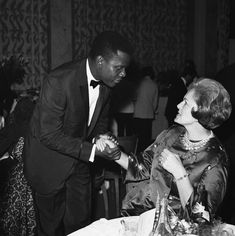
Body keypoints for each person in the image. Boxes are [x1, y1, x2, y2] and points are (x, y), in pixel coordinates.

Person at [23, 31, 133, 236]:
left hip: (79, 163)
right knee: (50, 229)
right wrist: (93, 151)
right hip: (49, 165)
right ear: (100, 61)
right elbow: (48, 134)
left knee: (82, 226)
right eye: (119, 68)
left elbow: (99, 122)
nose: (124, 74)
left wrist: (101, 137)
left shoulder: (107, 86)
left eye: (125, 69)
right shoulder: (58, 81)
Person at [99, 78, 231, 226]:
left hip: (177, 228)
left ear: (201, 111)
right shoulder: (172, 134)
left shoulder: (215, 160)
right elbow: (143, 165)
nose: (178, 105)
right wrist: (115, 154)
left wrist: (179, 173)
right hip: (143, 214)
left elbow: (201, 220)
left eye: (186, 102)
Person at [133, 66, 159, 151]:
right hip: (148, 114)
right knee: (146, 138)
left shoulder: (138, 83)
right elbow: (155, 103)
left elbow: (134, 97)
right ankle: (145, 156)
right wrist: (153, 110)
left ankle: (136, 154)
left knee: (137, 137)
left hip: (138, 113)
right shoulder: (154, 85)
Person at [165, 60, 198, 126]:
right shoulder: (180, 85)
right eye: (191, 77)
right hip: (174, 113)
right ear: (188, 76)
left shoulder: (178, 82)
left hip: (171, 112)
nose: (191, 79)